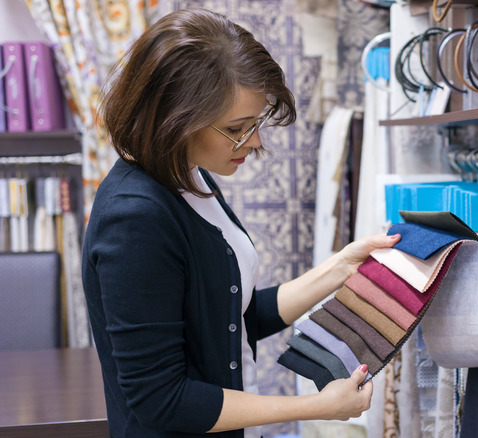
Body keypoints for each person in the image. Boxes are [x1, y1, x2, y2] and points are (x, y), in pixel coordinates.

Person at [82, 8, 400, 437]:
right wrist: (315, 405)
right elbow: (163, 400)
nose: (253, 142)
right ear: (175, 119)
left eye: (256, 123)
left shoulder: (188, 176)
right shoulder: (134, 220)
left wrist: (339, 268)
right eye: (237, 128)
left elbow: (229, 320)